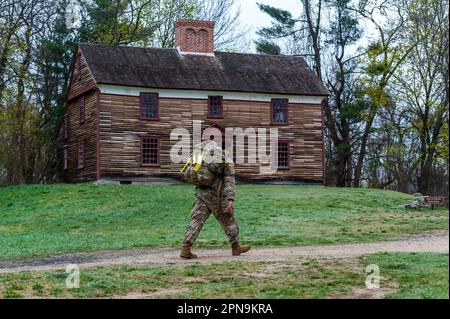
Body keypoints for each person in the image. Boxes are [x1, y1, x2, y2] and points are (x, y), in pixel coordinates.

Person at [180, 138, 251, 259]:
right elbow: (229, 180)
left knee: (197, 219)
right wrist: (230, 199)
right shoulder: (225, 159)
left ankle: (186, 248)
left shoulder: (204, 154)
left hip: (201, 192)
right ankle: (236, 247)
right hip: (216, 196)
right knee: (228, 219)